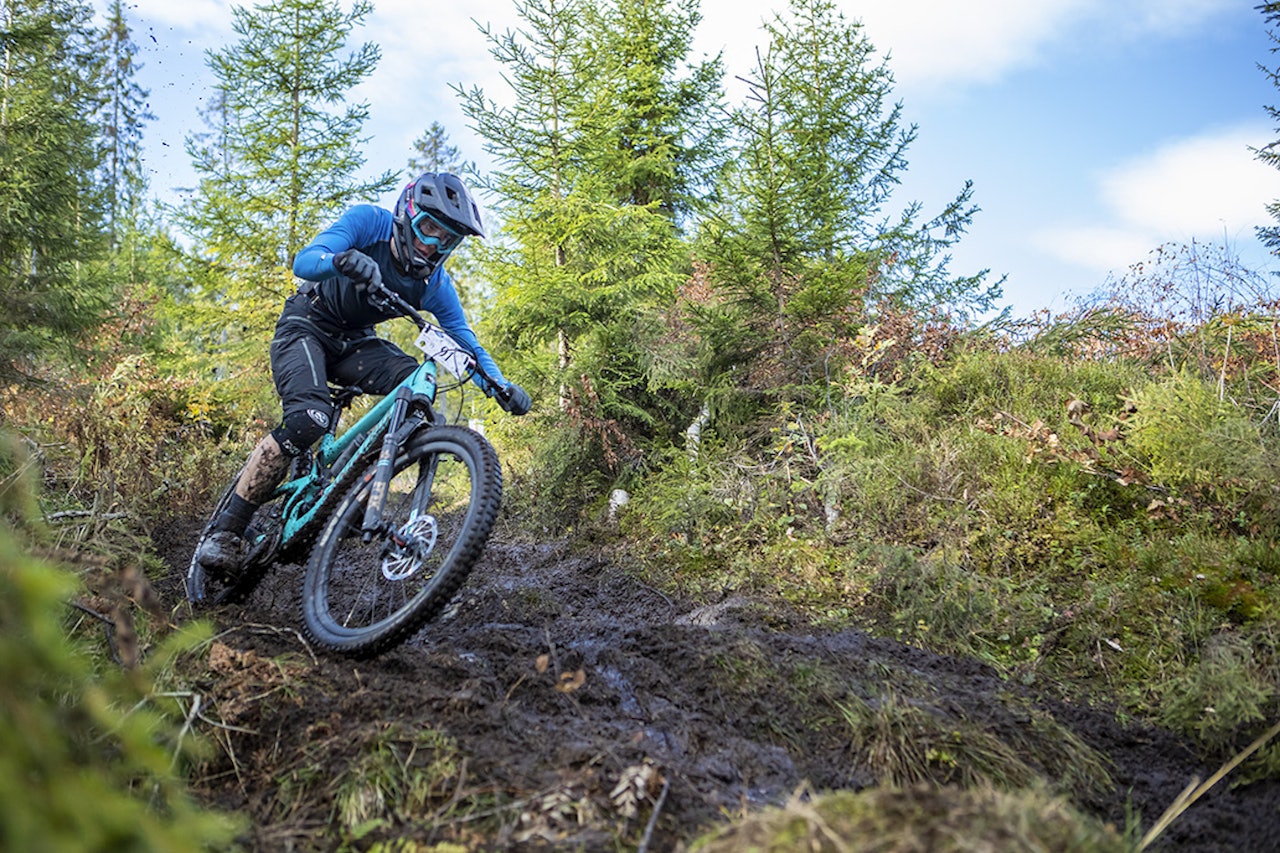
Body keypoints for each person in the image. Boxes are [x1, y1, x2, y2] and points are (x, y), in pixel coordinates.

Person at [196, 172, 530, 578]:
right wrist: (339, 261)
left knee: (416, 393)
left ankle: (351, 493)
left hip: (354, 345)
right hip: (306, 324)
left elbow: (465, 344)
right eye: (428, 229)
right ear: (408, 215)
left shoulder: (434, 284)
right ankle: (226, 530)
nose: (432, 245)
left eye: (447, 241)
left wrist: (499, 385)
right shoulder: (368, 223)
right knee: (308, 419)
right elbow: (306, 260)